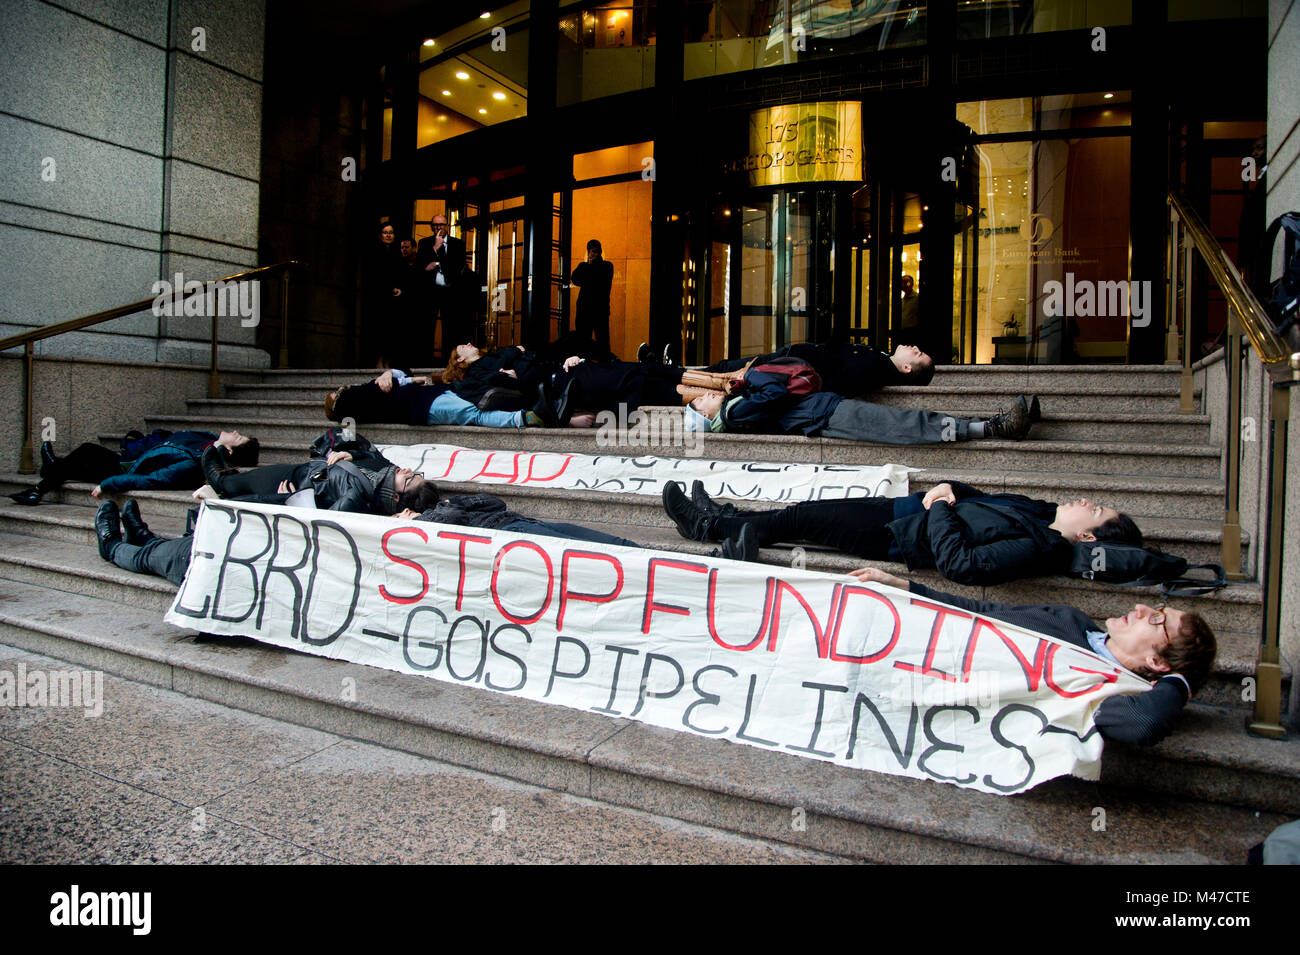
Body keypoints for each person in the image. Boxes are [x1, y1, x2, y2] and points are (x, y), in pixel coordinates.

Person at [848, 565, 1218, 746]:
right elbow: (983, 611)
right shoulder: (1073, 620)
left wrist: (1181, 681)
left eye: (1156, 620)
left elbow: (1146, 724)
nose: (1139, 607)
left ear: (1157, 663)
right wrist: (907, 587)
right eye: (1155, 608)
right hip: (907, 643)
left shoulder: (1102, 688)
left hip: (909, 683)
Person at [663, 479, 1144, 585]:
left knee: (801, 519)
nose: (1085, 501)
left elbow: (960, 565)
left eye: (1095, 509)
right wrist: (949, 488)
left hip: (900, 534)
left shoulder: (1036, 545)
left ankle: (708, 524)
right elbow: (975, 499)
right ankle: (723, 518)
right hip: (905, 509)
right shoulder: (1038, 512)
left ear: (1090, 538)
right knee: (801, 514)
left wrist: (938, 508)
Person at [681, 360, 1039, 443]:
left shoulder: (736, 408)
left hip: (825, 413)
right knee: (906, 424)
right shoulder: (733, 413)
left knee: (906, 422)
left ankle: (990, 425)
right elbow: (774, 393)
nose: (708, 396)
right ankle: (994, 427)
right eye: (702, 403)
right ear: (706, 420)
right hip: (827, 416)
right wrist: (753, 374)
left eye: (705, 395)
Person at [8, 430, 260, 506]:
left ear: (228, 451)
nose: (235, 432)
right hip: (132, 458)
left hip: (125, 471)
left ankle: (39, 488)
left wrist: (108, 485)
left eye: (238, 438)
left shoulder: (195, 464)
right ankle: (52, 470)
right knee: (82, 458)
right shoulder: (206, 440)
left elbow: (152, 480)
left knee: (87, 451)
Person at [195, 441, 439, 516]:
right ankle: (229, 479)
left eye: (409, 480)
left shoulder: (358, 498)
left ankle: (221, 485)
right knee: (241, 481)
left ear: (395, 496)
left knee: (227, 485)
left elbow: (320, 520)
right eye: (415, 473)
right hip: (305, 471)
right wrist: (350, 454)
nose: (408, 471)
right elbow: (368, 448)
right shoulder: (385, 471)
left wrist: (288, 499)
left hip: (293, 484)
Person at [325, 368, 543, 429]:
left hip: (426, 400)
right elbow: (390, 381)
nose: (343, 388)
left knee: (477, 402)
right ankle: (524, 418)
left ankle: (527, 411)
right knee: (475, 414)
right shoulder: (349, 401)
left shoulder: (359, 404)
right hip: (425, 404)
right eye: (338, 391)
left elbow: (397, 377)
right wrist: (389, 374)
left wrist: (404, 378)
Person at [706, 341, 935, 394]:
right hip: (791, 362)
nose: (915, 347)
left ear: (906, 368)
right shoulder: (879, 362)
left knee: (726, 370)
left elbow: (834, 378)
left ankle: (680, 376)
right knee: (727, 369)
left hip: (788, 366)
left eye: (918, 354)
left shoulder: (873, 369)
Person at [416, 214, 468, 361]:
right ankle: (425, 360)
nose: (439, 228)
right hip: (431, 291)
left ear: (447, 226)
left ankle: (448, 360)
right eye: (435, 225)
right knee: (427, 326)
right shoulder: (424, 243)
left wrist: (438, 263)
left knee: (450, 327)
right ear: (432, 226)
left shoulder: (458, 244)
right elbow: (420, 267)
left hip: (450, 291)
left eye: (441, 225)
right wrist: (435, 248)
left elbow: (458, 267)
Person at [366, 220, 404, 368]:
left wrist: (399, 288)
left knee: (392, 333)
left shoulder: (398, 252)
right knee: (378, 331)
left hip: (394, 300)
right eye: (385, 233)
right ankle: (378, 362)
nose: (388, 235)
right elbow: (374, 276)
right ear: (380, 235)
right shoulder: (374, 252)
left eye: (391, 233)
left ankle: (388, 362)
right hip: (378, 298)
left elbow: (401, 275)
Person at [570, 239, 614, 357]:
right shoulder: (584, 266)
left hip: (599, 311)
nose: (596, 254)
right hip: (585, 311)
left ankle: (604, 369)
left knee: (603, 344)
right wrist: (588, 265)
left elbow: (594, 279)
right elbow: (574, 279)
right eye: (593, 252)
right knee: (583, 343)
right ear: (588, 252)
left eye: (598, 252)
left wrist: (589, 265)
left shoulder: (607, 266)